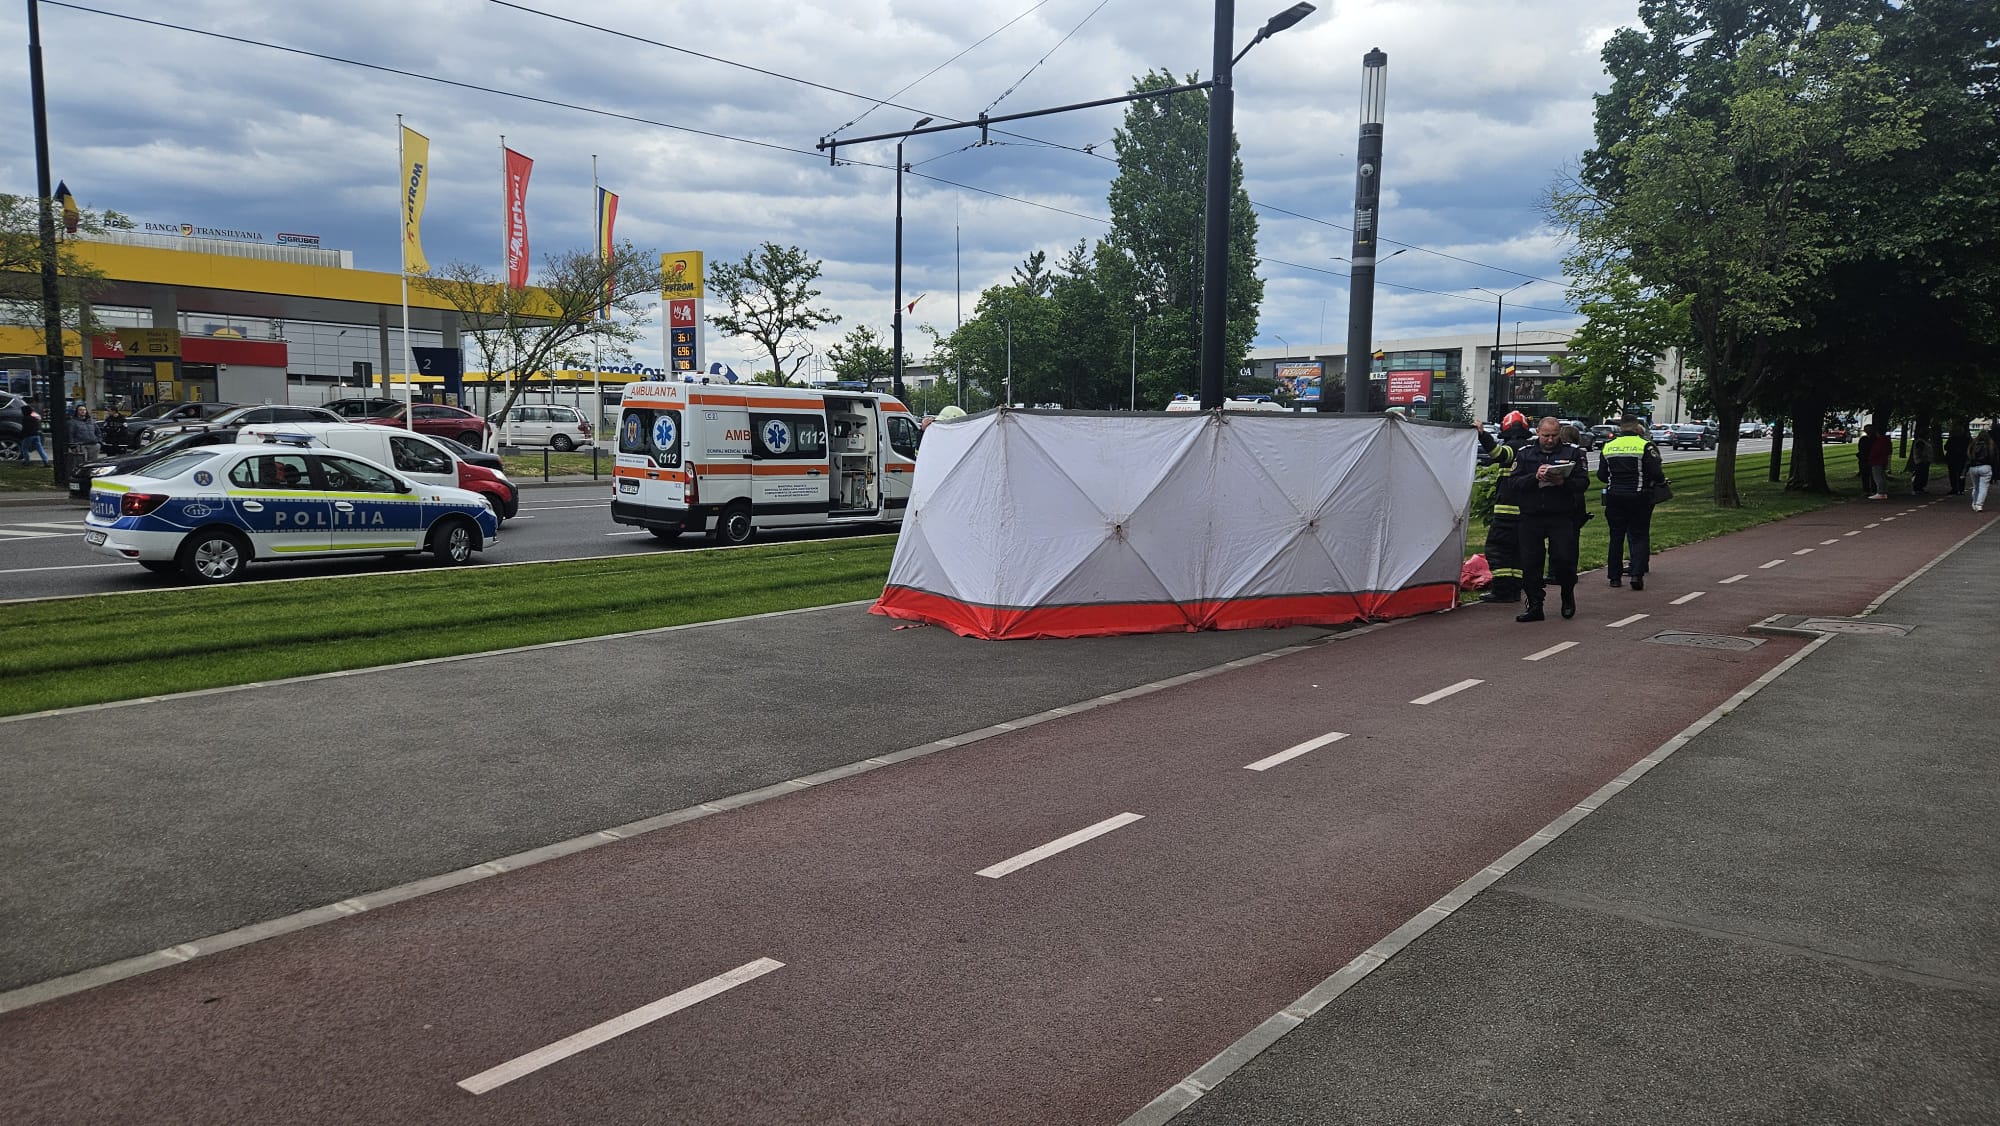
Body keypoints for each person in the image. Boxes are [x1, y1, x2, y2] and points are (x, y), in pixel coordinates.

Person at [1508, 416, 1589, 622]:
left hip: (1561, 516)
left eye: (1554, 436)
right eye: (1546, 436)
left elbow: (1583, 483)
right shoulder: (1525, 453)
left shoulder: (1572, 452)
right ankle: (1535, 605)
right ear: (1537, 432)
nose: (1550, 440)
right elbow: (1513, 483)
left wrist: (1563, 482)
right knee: (1530, 563)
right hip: (1531, 516)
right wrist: (1534, 477)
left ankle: (1567, 594)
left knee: (1564, 559)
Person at [1597, 416, 1666, 591]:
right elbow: (1656, 473)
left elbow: (1602, 475)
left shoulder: (1609, 446)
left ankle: (1614, 577)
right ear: (1636, 427)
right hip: (1639, 496)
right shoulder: (1645, 445)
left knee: (1616, 536)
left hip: (1614, 496)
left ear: (1620, 428)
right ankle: (1636, 574)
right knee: (1639, 534)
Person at [1476, 425, 1524, 604]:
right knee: (1516, 553)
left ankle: (1502, 590)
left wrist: (1482, 435)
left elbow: (1498, 454)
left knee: (1496, 550)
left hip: (1506, 515)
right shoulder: (1528, 448)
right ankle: (1514, 589)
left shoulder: (1514, 447)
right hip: (1523, 514)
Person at [1858, 422, 1892, 499]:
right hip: (1869, 459)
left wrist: (1871, 457)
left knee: (1877, 476)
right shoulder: (1867, 439)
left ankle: (1878, 491)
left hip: (1875, 460)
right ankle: (1873, 491)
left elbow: (1877, 450)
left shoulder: (1878, 440)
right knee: (1873, 475)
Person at [1968, 428, 1996, 513]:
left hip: (1973, 467)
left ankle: (1974, 502)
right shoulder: (1991, 446)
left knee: (1975, 487)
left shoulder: (1973, 445)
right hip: (1986, 467)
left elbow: (1968, 458)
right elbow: (1994, 459)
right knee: (1983, 487)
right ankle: (1979, 505)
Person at [17, 399, 49, 465]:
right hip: (36, 435)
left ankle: (27, 461)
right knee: (40, 449)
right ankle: (46, 461)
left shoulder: (25, 418)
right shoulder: (34, 418)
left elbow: (25, 429)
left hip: (28, 436)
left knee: (24, 448)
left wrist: (21, 436)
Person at [1945, 426, 1970, 495]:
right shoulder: (1966, 439)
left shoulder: (1951, 439)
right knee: (1961, 473)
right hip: (1962, 458)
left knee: (1952, 474)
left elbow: (1946, 447)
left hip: (1952, 458)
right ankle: (1961, 489)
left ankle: (1954, 488)